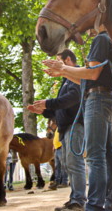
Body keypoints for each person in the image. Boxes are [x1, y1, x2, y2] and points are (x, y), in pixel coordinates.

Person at [42, 26, 112, 211]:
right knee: (107, 154)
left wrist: (63, 69)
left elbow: (92, 74)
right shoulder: (109, 39)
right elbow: (90, 79)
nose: (85, 31)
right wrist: (63, 72)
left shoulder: (101, 39)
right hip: (103, 97)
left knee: (95, 156)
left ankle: (94, 205)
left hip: (97, 100)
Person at [28, 49, 86, 211]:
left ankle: (79, 201)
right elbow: (59, 108)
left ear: (68, 60)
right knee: (69, 164)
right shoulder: (66, 80)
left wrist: (48, 103)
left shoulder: (76, 76)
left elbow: (72, 99)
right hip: (66, 127)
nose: (53, 65)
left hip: (76, 125)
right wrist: (44, 111)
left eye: (57, 61)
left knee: (75, 163)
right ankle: (75, 198)